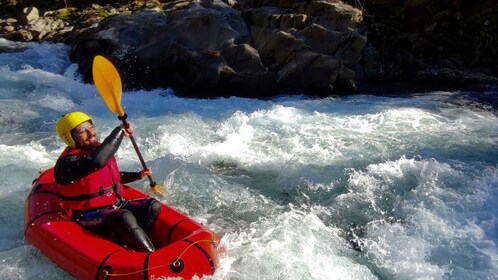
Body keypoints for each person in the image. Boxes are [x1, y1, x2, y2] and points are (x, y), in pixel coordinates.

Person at [54, 111, 161, 253]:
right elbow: (96, 162)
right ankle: (150, 255)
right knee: (123, 216)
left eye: (91, 127)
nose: (90, 133)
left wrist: (138, 175)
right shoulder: (67, 163)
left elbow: (109, 179)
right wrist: (120, 130)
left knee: (153, 206)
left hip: (115, 205)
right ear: (70, 138)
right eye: (82, 131)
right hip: (86, 215)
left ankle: (128, 243)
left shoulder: (99, 150)